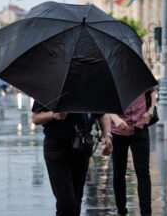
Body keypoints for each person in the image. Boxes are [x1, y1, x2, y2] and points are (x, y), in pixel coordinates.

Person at [32, 102, 113, 216]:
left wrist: (108, 136)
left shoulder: (87, 87)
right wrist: (53, 115)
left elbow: (102, 114)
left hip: (81, 147)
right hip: (56, 148)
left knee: (75, 200)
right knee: (66, 203)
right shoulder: (52, 86)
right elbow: (36, 118)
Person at [110, 88, 156, 216]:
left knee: (143, 172)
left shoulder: (140, 69)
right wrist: (115, 119)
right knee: (119, 172)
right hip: (118, 129)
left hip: (140, 126)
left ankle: (146, 213)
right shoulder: (113, 71)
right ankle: (121, 211)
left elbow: (152, 91)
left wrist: (150, 111)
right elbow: (105, 101)